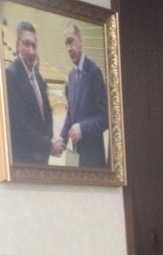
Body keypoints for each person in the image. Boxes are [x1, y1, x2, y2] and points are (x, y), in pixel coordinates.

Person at [55, 22, 108, 168]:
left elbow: (105, 118)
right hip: (76, 156)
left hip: (93, 159)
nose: (68, 48)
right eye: (66, 44)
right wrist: (62, 138)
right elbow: (70, 114)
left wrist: (82, 128)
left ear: (80, 41)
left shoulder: (94, 72)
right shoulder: (71, 76)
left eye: (71, 41)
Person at [5, 21, 55, 164]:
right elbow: (19, 125)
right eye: (26, 44)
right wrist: (48, 145)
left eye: (34, 45)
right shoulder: (10, 76)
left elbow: (47, 112)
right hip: (24, 159)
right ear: (17, 45)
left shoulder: (37, 75)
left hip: (42, 158)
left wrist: (49, 139)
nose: (31, 50)